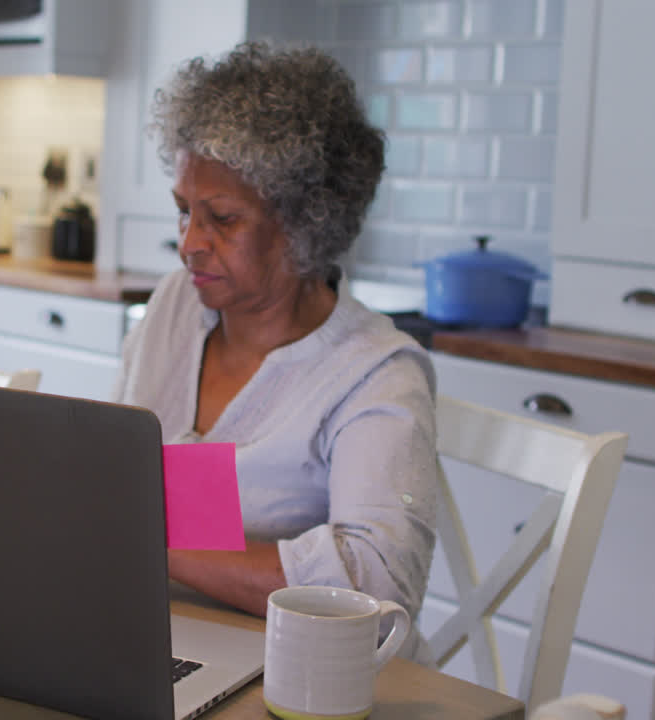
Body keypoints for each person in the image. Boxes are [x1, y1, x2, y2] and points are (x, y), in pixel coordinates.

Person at [110, 41, 439, 664]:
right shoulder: (177, 305)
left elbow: (379, 585)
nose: (189, 246)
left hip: (316, 678)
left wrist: (153, 545)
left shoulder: (376, 374)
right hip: (167, 640)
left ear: (304, 223)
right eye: (183, 213)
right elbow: (111, 465)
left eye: (222, 219)